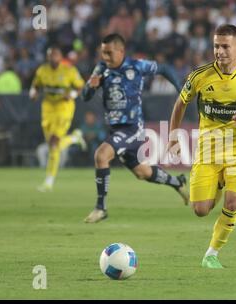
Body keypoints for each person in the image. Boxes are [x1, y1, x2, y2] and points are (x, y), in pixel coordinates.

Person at [167, 24, 236, 269]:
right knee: (200, 210)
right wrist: (173, 136)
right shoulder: (199, 76)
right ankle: (220, 183)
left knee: (233, 202)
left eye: (225, 46)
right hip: (208, 149)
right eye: (216, 46)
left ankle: (211, 254)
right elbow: (180, 104)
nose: (220, 51)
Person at [81, 33, 189, 223]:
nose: (105, 57)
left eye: (109, 53)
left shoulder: (137, 66)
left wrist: (181, 89)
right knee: (143, 173)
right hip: (114, 130)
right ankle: (177, 182)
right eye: (103, 53)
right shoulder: (100, 69)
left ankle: (101, 208)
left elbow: (163, 68)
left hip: (132, 128)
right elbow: (85, 96)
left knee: (101, 155)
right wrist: (91, 86)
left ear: (121, 51)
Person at [29, 46, 87, 192]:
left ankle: (49, 181)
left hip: (64, 108)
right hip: (48, 109)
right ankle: (74, 138)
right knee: (52, 146)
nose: (53, 58)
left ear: (60, 57)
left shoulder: (69, 71)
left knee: (54, 142)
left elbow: (81, 87)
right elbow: (35, 85)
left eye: (55, 55)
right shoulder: (42, 70)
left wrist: (72, 95)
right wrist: (33, 93)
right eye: (50, 55)